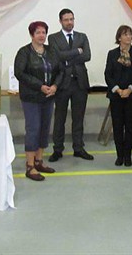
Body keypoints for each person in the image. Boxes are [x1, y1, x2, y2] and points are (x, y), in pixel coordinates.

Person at [14, 21, 62, 181]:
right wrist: (40, 86)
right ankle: (30, 166)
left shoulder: (51, 51)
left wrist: (55, 85)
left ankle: (39, 161)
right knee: (33, 128)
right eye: (38, 32)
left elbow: (60, 70)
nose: (41, 35)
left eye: (44, 32)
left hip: (48, 96)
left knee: (44, 129)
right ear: (32, 35)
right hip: (31, 97)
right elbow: (20, 73)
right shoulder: (24, 52)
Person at [48, 9, 93, 162]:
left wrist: (66, 59)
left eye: (71, 19)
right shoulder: (53, 38)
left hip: (80, 83)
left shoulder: (82, 36)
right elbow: (56, 56)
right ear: (60, 21)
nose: (69, 22)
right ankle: (57, 149)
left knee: (78, 117)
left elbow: (87, 56)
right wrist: (76, 52)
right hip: (62, 83)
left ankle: (78, 148)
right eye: (66, 19)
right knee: (60, 118)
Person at [104, 25, 132, 167]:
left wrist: (129, 89)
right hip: (116, 95)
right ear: (119, 37)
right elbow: (108, 74)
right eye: (125, 34)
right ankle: (119, 155)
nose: (129, 37)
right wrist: (117, 90)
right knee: (117, 125)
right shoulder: (112, 54)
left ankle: (128, 155)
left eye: (130, 34)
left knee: (130, 125)